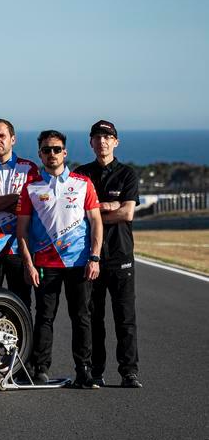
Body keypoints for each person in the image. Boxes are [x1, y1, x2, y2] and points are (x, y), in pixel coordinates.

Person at [17, 130, 103, 389]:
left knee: (81, 317)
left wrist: (94, 257)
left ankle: (84, 370)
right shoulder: (31, 187)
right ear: (40, 154)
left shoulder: (83, 183)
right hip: (45, 264)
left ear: (65, 152)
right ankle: (40, 368)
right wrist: (28, 263)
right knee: (44, 317)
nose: (51, 154)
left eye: (56, 149)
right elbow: (22, 231)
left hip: (79, 263)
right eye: (46, 150)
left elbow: (96, 222)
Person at [74, 120, 142, 388]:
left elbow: (127, 213)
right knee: (93, 318)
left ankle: (129, 372)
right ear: (90, 142)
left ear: (116, 142)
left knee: (125, 318)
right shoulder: (81, 175)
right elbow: (76, 214)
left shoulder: (127, 174)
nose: (102, 141)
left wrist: (95, 213)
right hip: (90, 256)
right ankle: (96, 371)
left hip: (120, 255)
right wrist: (107, 206)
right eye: (97, 137)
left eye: (107, 137)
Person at [0, 119, 40, 310]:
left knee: (21, 304)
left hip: (18, 248)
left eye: (2, 135)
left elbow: (33, 207)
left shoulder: (29, 168)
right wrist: (16, 198)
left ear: (13, 139)